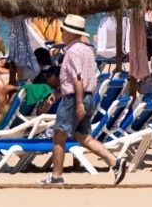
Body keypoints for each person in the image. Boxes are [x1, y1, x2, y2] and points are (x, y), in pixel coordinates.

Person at [43, 14, 126, 186]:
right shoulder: (88, 49)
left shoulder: (72, 51)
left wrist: (78, 102)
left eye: (63, 30)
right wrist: (60, 94)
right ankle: (115, 162)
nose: (62, 33)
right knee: (84, 137)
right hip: (88, 96)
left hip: (75, 98)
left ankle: (56, 176)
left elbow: (77, 78)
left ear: (70, 33)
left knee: (59, 135)